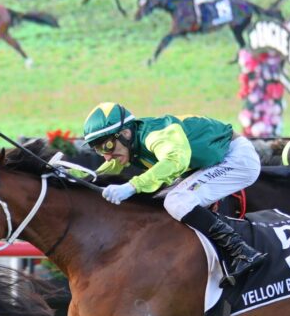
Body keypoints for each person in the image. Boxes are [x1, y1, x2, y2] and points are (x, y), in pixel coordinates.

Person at [82, 102, 266, 285]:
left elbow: (175, 160)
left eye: (107, 146)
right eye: (98, 150)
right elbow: (105, 169)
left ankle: (242, 252)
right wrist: (72, 176)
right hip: (212, 162)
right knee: (158, 201)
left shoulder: (155, 135)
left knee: (177, 201)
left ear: (125, 133)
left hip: (235, 158)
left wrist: (132, 186)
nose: (106, 156)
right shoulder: (129, 144)